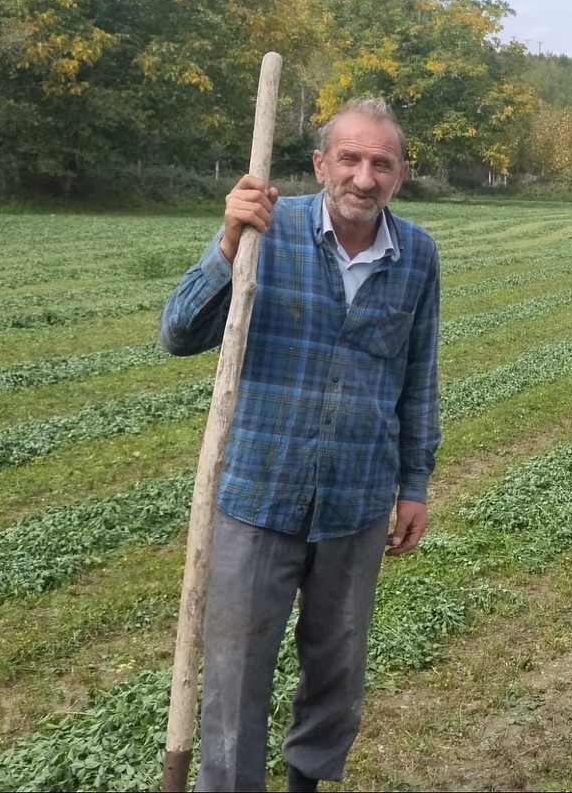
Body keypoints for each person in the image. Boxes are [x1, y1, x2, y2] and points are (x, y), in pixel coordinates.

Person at [159, 97, 440, 793]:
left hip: (356, 502)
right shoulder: (263, 230)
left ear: (401, 174)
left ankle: (306, 784)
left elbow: (418, 376)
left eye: (382, 163)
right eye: (349, 158)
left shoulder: (417, 257)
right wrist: (226, 244)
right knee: (234, 676)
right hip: (258, 494)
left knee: (337, 671)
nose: (364, 177)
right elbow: (178, 333)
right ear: (321, 164)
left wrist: (414, 483)